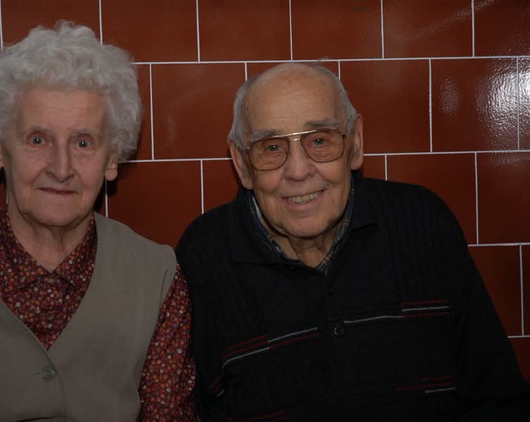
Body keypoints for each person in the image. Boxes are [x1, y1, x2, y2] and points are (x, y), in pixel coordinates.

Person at [176, 62, 530, 421]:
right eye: (271, 148)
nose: (298, 171)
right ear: (242, 163)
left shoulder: (423, 225)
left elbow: (497, 401)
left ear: (355, 143)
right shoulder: (205, 257)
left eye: (319, 140)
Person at [0, 22, 197, 421]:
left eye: (83, 142)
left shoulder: (158, 281)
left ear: (111, 159)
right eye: (38, 139)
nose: (61, 167)